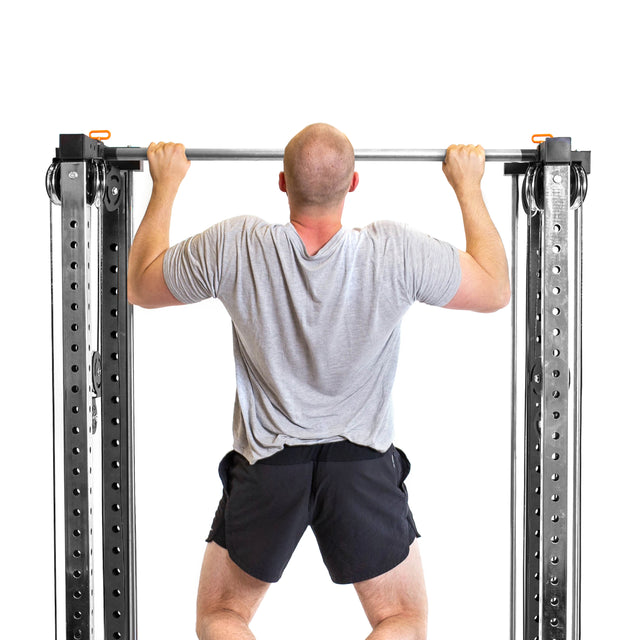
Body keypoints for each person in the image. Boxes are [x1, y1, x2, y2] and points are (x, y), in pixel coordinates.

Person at [127, 123, 510, 640]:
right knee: (402, 621)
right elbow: (494, 289)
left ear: (282, 182)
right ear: (354, 184)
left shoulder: (236, 244)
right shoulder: (394, 251)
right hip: (359, 465)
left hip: (269, 465)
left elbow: (142, 286)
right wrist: (468, 186)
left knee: (223, 618)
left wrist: (166, 183)